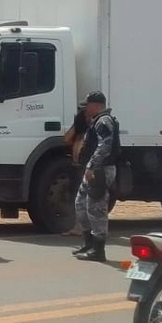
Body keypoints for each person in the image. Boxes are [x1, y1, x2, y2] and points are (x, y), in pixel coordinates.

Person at [73, 91, 119, 262]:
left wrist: (92, 165)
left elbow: (105, 145)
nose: (86, 108)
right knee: (81, 204)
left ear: (98, 106)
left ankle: (98, 250)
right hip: (93, 169)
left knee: (96, 208)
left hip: (100, 170)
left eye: (89, 105)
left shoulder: (104, 121)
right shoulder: (96, 121)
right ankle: (89, 244)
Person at [62, 101, 90, 236]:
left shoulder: (91, 131)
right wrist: (76, 125)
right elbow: (66, 139)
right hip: (77, 165)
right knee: (77, 198)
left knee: (89, 199)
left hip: (86, 166)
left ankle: (86, 228)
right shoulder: (79, 132)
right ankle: (78, 226)